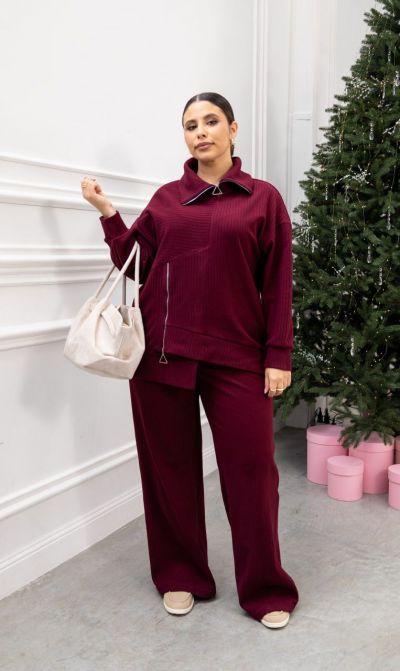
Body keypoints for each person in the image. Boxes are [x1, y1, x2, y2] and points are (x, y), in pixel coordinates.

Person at [80, 91, 299, 629]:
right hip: (161, 355)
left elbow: (277, 284)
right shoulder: (166, 199)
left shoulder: (263, 200)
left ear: (232, 129)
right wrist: (109, 215)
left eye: (211, 121)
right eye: (190, 125)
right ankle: (181, 574)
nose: (200, 132)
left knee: (252, 473)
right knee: (170, 471)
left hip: (238, 357)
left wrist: (278, 355)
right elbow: (134, 264)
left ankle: (265, 588)